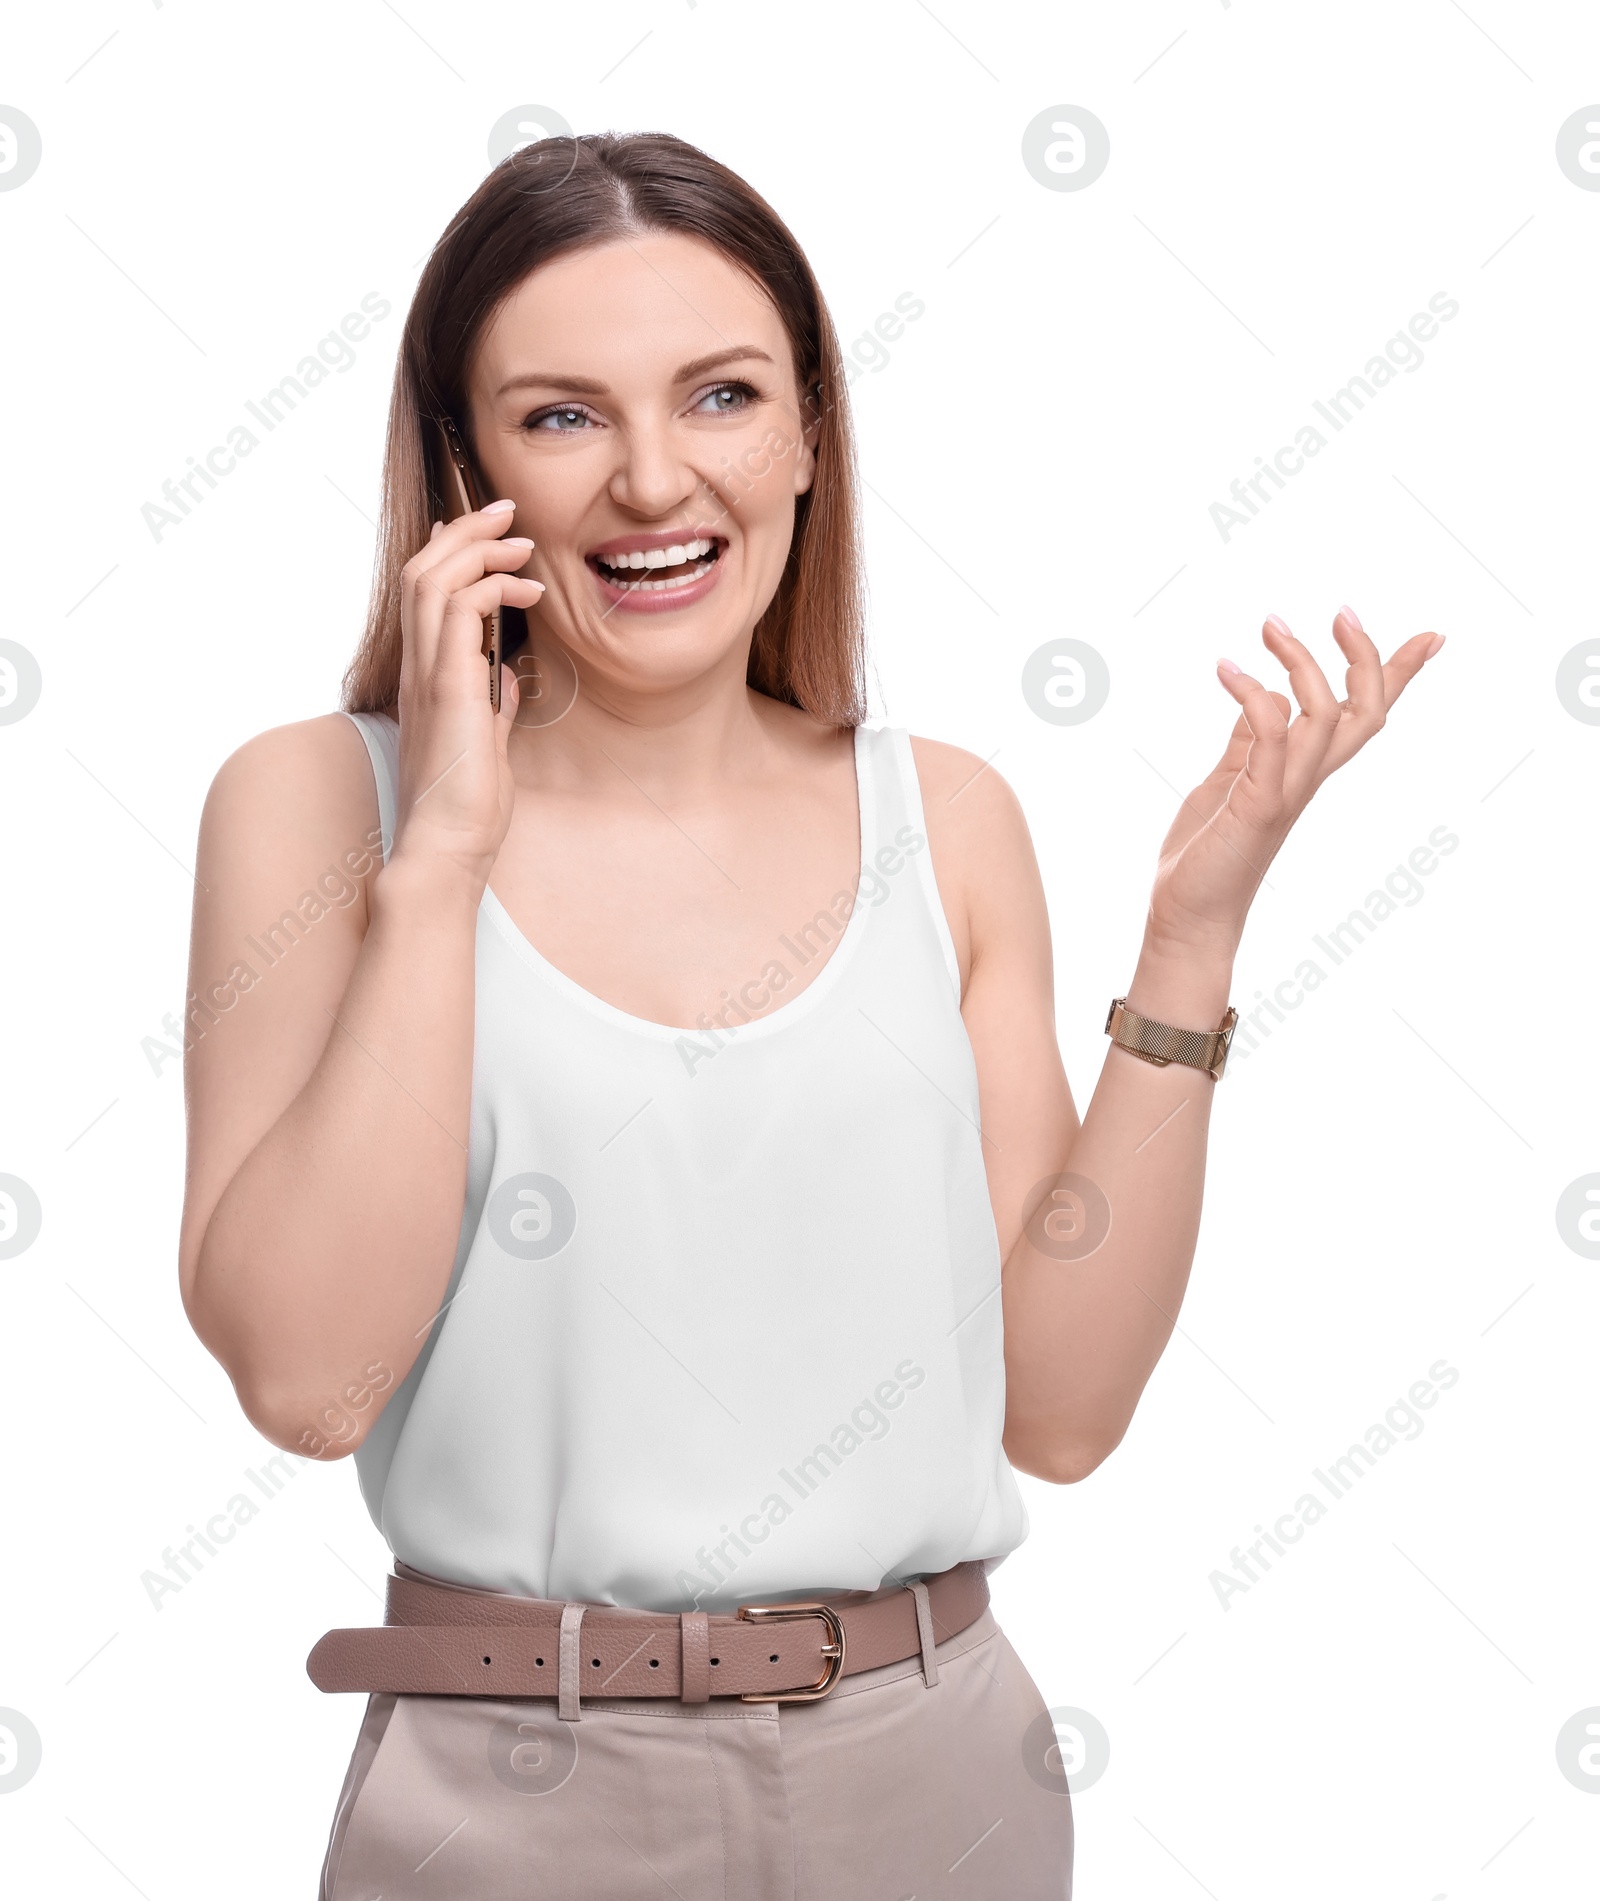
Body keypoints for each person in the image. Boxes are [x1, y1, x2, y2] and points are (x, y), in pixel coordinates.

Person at [176, 132, 1442, 1900]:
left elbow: (1063, 1409)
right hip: (516, 1786)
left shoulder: (951, 816)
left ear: (809, 436)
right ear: (464, 471)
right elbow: (309, 1381)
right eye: (560, 416)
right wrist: (445, 856)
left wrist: (1191, 935)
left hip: (939, 1777)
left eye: (720, 395)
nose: (649, 480)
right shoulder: (322, 809)